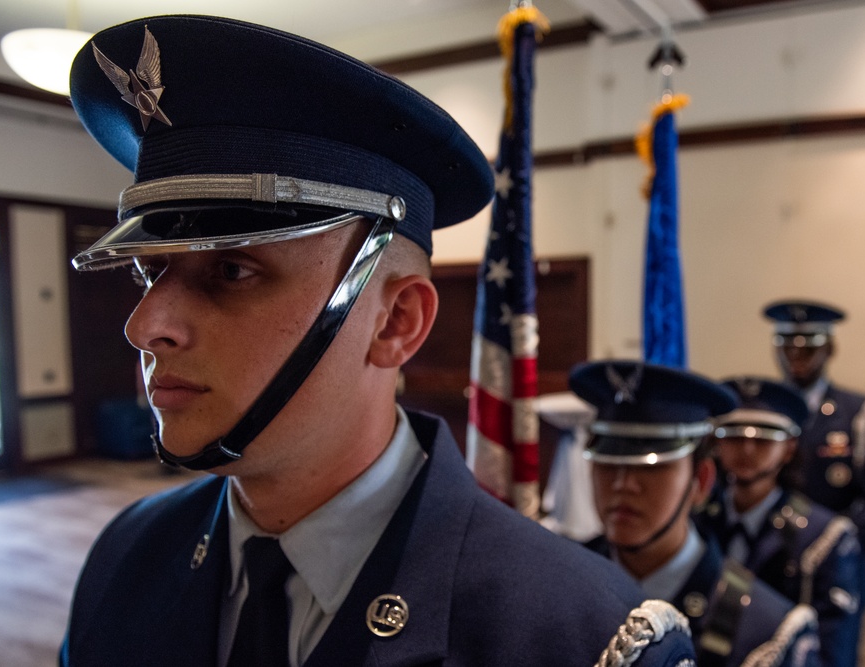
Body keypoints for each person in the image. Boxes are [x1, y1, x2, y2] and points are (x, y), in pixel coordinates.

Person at [58, 16, 697, 667]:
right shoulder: (126, 555)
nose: (143, 325)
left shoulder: (574, 634)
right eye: (152, 270)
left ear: (396, 323)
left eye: (231, 271)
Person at [572, 361, 820, 667]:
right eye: (608, 461)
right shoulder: (563, 579)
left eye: (651, 466)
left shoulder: (765, 633)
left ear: (700, 481)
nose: (623, 484)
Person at [762, 300, 865, 640]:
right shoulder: (765, 413)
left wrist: (828, 551)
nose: (795, 356)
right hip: (767, 571)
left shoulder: (859, 414)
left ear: (830, 348)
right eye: (786, 346)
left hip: (835, 577)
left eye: (808, 347)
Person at [699, 377, 864, 667]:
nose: (747, 450)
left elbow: (834, 652)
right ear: (717, 444)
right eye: (734, 436)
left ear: (789, 448)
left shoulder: (823, 538)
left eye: (763, 439)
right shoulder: (696, 520)